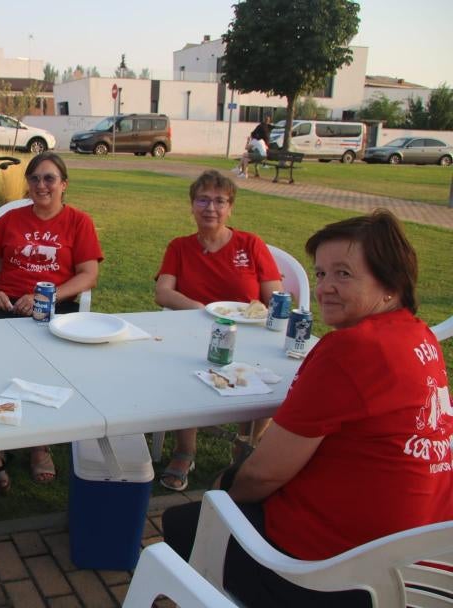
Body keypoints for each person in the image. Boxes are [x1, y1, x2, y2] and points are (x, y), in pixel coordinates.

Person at [162, 210, 453, 608]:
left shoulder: (351, 349)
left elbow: (263, 476)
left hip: (336, 575)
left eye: (344, 274)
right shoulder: (421, 337)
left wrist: (224, 490)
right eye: (320, 275)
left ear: (391, 281)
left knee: (187, 521)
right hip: (417, 567)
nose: (325, 288)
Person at [0, 152, 103, 493]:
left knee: (42, 367)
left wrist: (50, 296)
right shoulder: (12, 219)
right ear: (28, 184)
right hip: (5, 302)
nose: (42, 185)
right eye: (35, 178)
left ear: (63, 184)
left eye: (49, 178)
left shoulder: (78, 222)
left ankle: (38, 444)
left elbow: (89, 274)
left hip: (52, 307)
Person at [154, 169, 282, 492]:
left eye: (219, 201)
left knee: (260, 374)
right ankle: (185, 450)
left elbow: (275, 298)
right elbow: (163, 292)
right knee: (179, 369)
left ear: (230, 208)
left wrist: (257, 315)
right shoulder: (179, 247)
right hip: (194, 331)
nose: (210, 208)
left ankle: (246, 444)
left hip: (247, 333)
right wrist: (200, 308)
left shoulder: (250, 244)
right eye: (203, 200)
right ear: (192, 206)